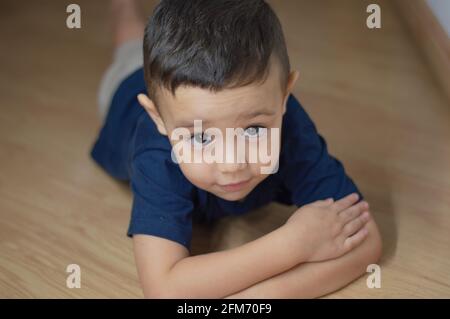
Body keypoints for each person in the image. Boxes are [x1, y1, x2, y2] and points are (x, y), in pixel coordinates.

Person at [90, 0, 382, 298]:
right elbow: (165, 290)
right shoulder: (156, 153)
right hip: (123, 95)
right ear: (159, 120)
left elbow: (367, 239)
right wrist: (293, 244)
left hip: (174, 89)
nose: (231, 164)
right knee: (129, 46)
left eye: (253, 130)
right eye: (201, 138)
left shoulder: (289, 122)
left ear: (284, 97)